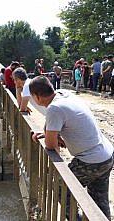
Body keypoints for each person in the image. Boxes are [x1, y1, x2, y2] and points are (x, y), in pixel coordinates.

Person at [29, 76, 114, 220]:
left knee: (61, 189)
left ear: (36, 97)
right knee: (99, 199)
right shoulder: (64, 94)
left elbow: (50, 145)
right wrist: (49, 134)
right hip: (106, 155)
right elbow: (56, 127)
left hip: (90, 160)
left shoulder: (54, 108)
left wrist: (51, 136)